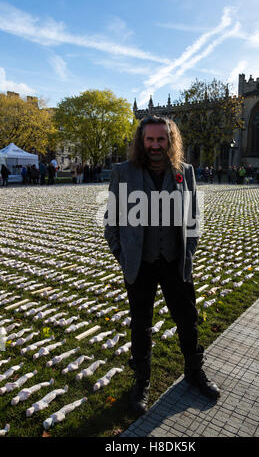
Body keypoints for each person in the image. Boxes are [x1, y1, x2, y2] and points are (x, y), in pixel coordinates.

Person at [104, 115, 220, 415]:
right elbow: (111, 222)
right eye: (150, 139)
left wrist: (188, 254)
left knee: (187, 319)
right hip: (139, 265)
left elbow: (194, 220)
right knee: (141, 324)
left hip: (174, 262)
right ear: (141, 141)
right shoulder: (123, 172)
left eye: (161, 139)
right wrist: (123, 256)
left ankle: (194, 372)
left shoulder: (185, 172)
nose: (155, 145)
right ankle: (141, 381)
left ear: (170, 141)